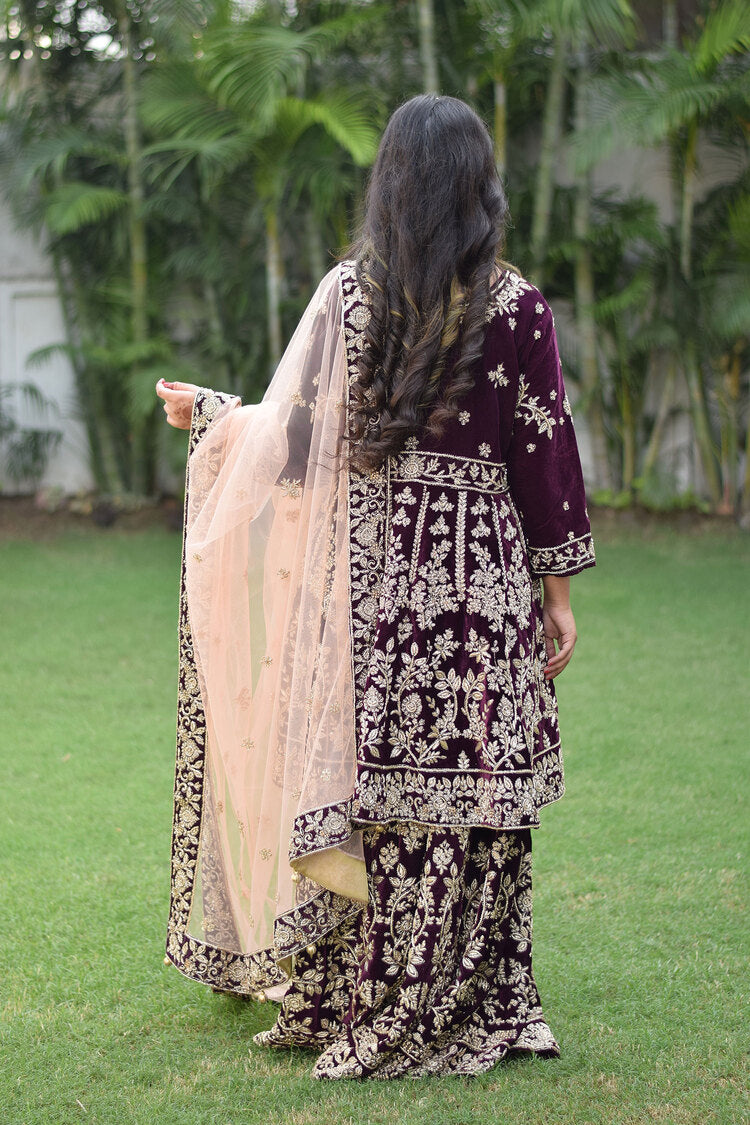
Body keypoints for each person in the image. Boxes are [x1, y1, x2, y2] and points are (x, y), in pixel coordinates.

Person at [156, 94, 595, 1080]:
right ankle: (475, 997)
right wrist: (558, 592)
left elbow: (299, 441)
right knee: (474, 796)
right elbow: (543, 451)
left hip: (369, 593)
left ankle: (360, 992)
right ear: (481, 185)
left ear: (390, 180)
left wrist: (218, 417)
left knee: (373, 793)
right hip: (477, 592)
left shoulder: (354, 298)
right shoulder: (517, 306)